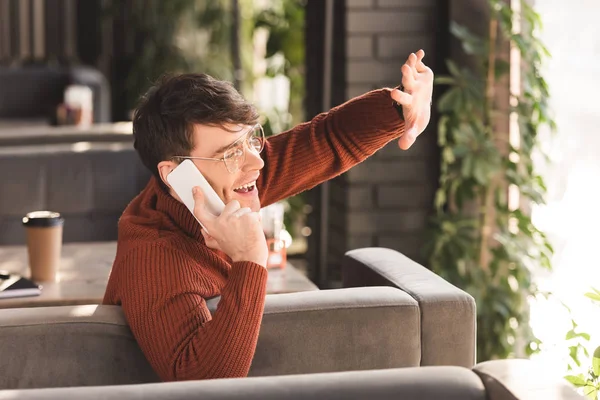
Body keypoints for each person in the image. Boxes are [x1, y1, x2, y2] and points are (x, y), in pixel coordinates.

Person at [103, 50, 434, 381]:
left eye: (250, 140)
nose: (257, 164)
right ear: (174, 174)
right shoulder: (152, 256)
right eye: (232, 153)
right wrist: (250, 258)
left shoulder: (217, 189)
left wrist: (401, 108)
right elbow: (204, 385)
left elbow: (326, 138)